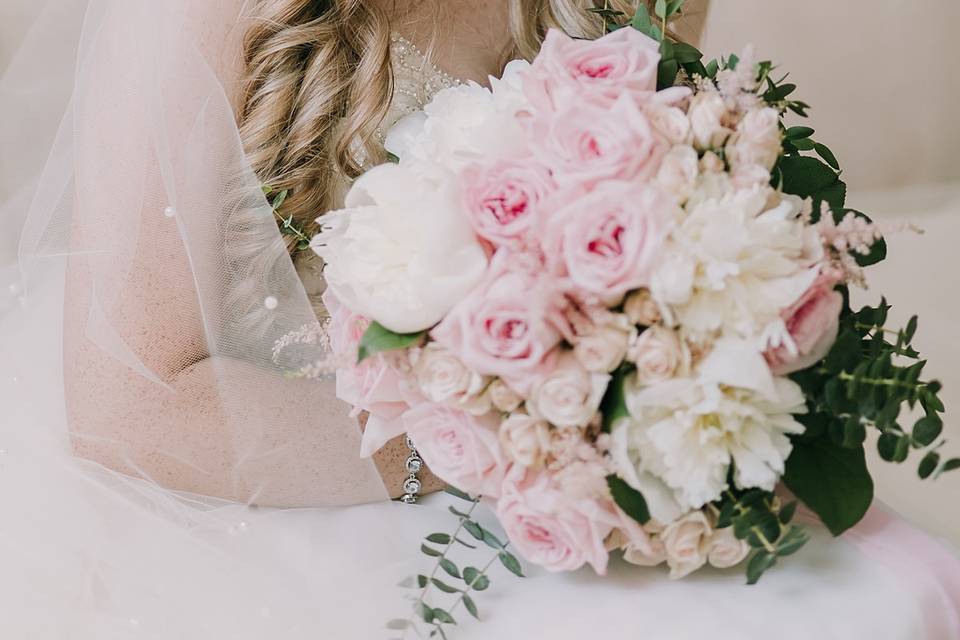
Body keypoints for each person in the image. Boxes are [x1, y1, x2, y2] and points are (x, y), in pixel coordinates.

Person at [0, 1, 957, 638]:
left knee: (878, 600)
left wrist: (667, 374)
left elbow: (661, 226)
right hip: (263, 477)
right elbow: (129, 405)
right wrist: (504, 451)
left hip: (567, 463)